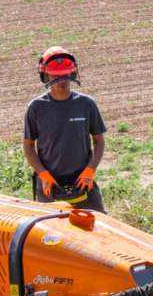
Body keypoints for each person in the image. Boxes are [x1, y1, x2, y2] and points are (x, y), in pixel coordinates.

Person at [23, 46, 107, 212]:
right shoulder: (36, 108)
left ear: (72, 73)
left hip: (83, 181)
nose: (61, 80)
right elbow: (28, 145)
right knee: (51, 232)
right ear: (45, 75)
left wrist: (90, 170)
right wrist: (43, 174)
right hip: (50, 184)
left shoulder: (86, 104)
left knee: (98, 224)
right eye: (56, 76)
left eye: (65, 75)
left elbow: (99, 141)